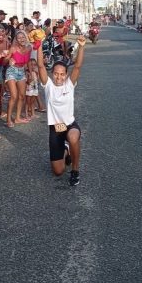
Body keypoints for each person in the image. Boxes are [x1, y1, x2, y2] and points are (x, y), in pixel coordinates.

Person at [36, 34, 87, 186]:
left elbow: (77, 66)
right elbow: (40, 66)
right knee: (58, 171)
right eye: (56, 74)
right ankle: (65, 150)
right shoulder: (48, 86)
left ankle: (75, 171)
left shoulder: (70, 85)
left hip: (69, 125)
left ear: (66, 75)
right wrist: (38, 45)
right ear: (52, 74)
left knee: (73, 137)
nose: (59, 77)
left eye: (62, 74)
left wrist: (82, 47)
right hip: (56, 129)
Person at [4, 31, 32, 127]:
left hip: (22, 71)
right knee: (14, 96)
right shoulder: (13, 49)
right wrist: (8, 59)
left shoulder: (29, 48)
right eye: (19, 38)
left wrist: (30, 72)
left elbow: (28, 61)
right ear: (16, 40)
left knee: (22, 96)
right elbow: (4, 61)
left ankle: (17, 118)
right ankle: (8, 120)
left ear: (26, 38)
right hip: (12, 71)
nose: (21, 39)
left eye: (23, 37)